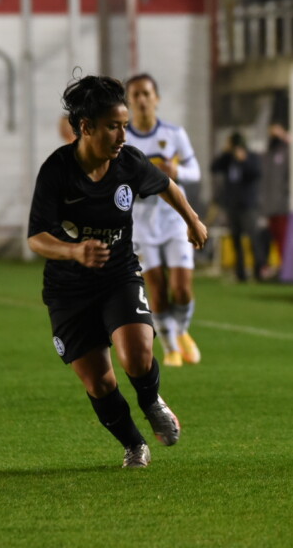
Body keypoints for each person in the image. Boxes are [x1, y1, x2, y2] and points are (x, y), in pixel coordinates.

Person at [27, 75, 208, 468]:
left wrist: (193, 220)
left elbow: (168, 186)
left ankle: (151, 401)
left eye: (124, 125)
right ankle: (133, 444)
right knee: (100, 382)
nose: (123, 134)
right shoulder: (57, 171)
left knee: (138, 356)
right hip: (68, 290)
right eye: (114, 126)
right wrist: (74, 252)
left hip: (118, 275)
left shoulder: (128, 162)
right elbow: (37, 237)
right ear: (86, 127)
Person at [124, 73, 203, 368]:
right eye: (136, 95)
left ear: (156, 98)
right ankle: (171, 348)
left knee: (181, 287)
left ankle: (181, 332)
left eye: (147, 93)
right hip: (141, 222)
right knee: (156, 287)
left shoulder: (173, 133)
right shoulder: (124, 138)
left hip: (173, 218)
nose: (142, 100)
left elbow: (195, 171)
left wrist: (177, 172)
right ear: (129, 102)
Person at [211, 131, 263, 282]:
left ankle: (258, 271)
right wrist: (224, 153)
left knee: (253, 237)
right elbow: (214, 167)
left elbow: (256, 173)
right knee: (236, 239)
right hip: (232, 205)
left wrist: (244, 160)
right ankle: (240, 273)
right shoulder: (228, 159)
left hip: (248, 205)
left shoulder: (251, 156)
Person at [260, 122, 291, 280]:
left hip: (283, 206)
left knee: (284, 239)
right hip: (269, 205)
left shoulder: (287, 151)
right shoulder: (268, 154)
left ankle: (286, 268)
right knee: (271, 238)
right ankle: (274, 268)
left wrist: (287, 139)